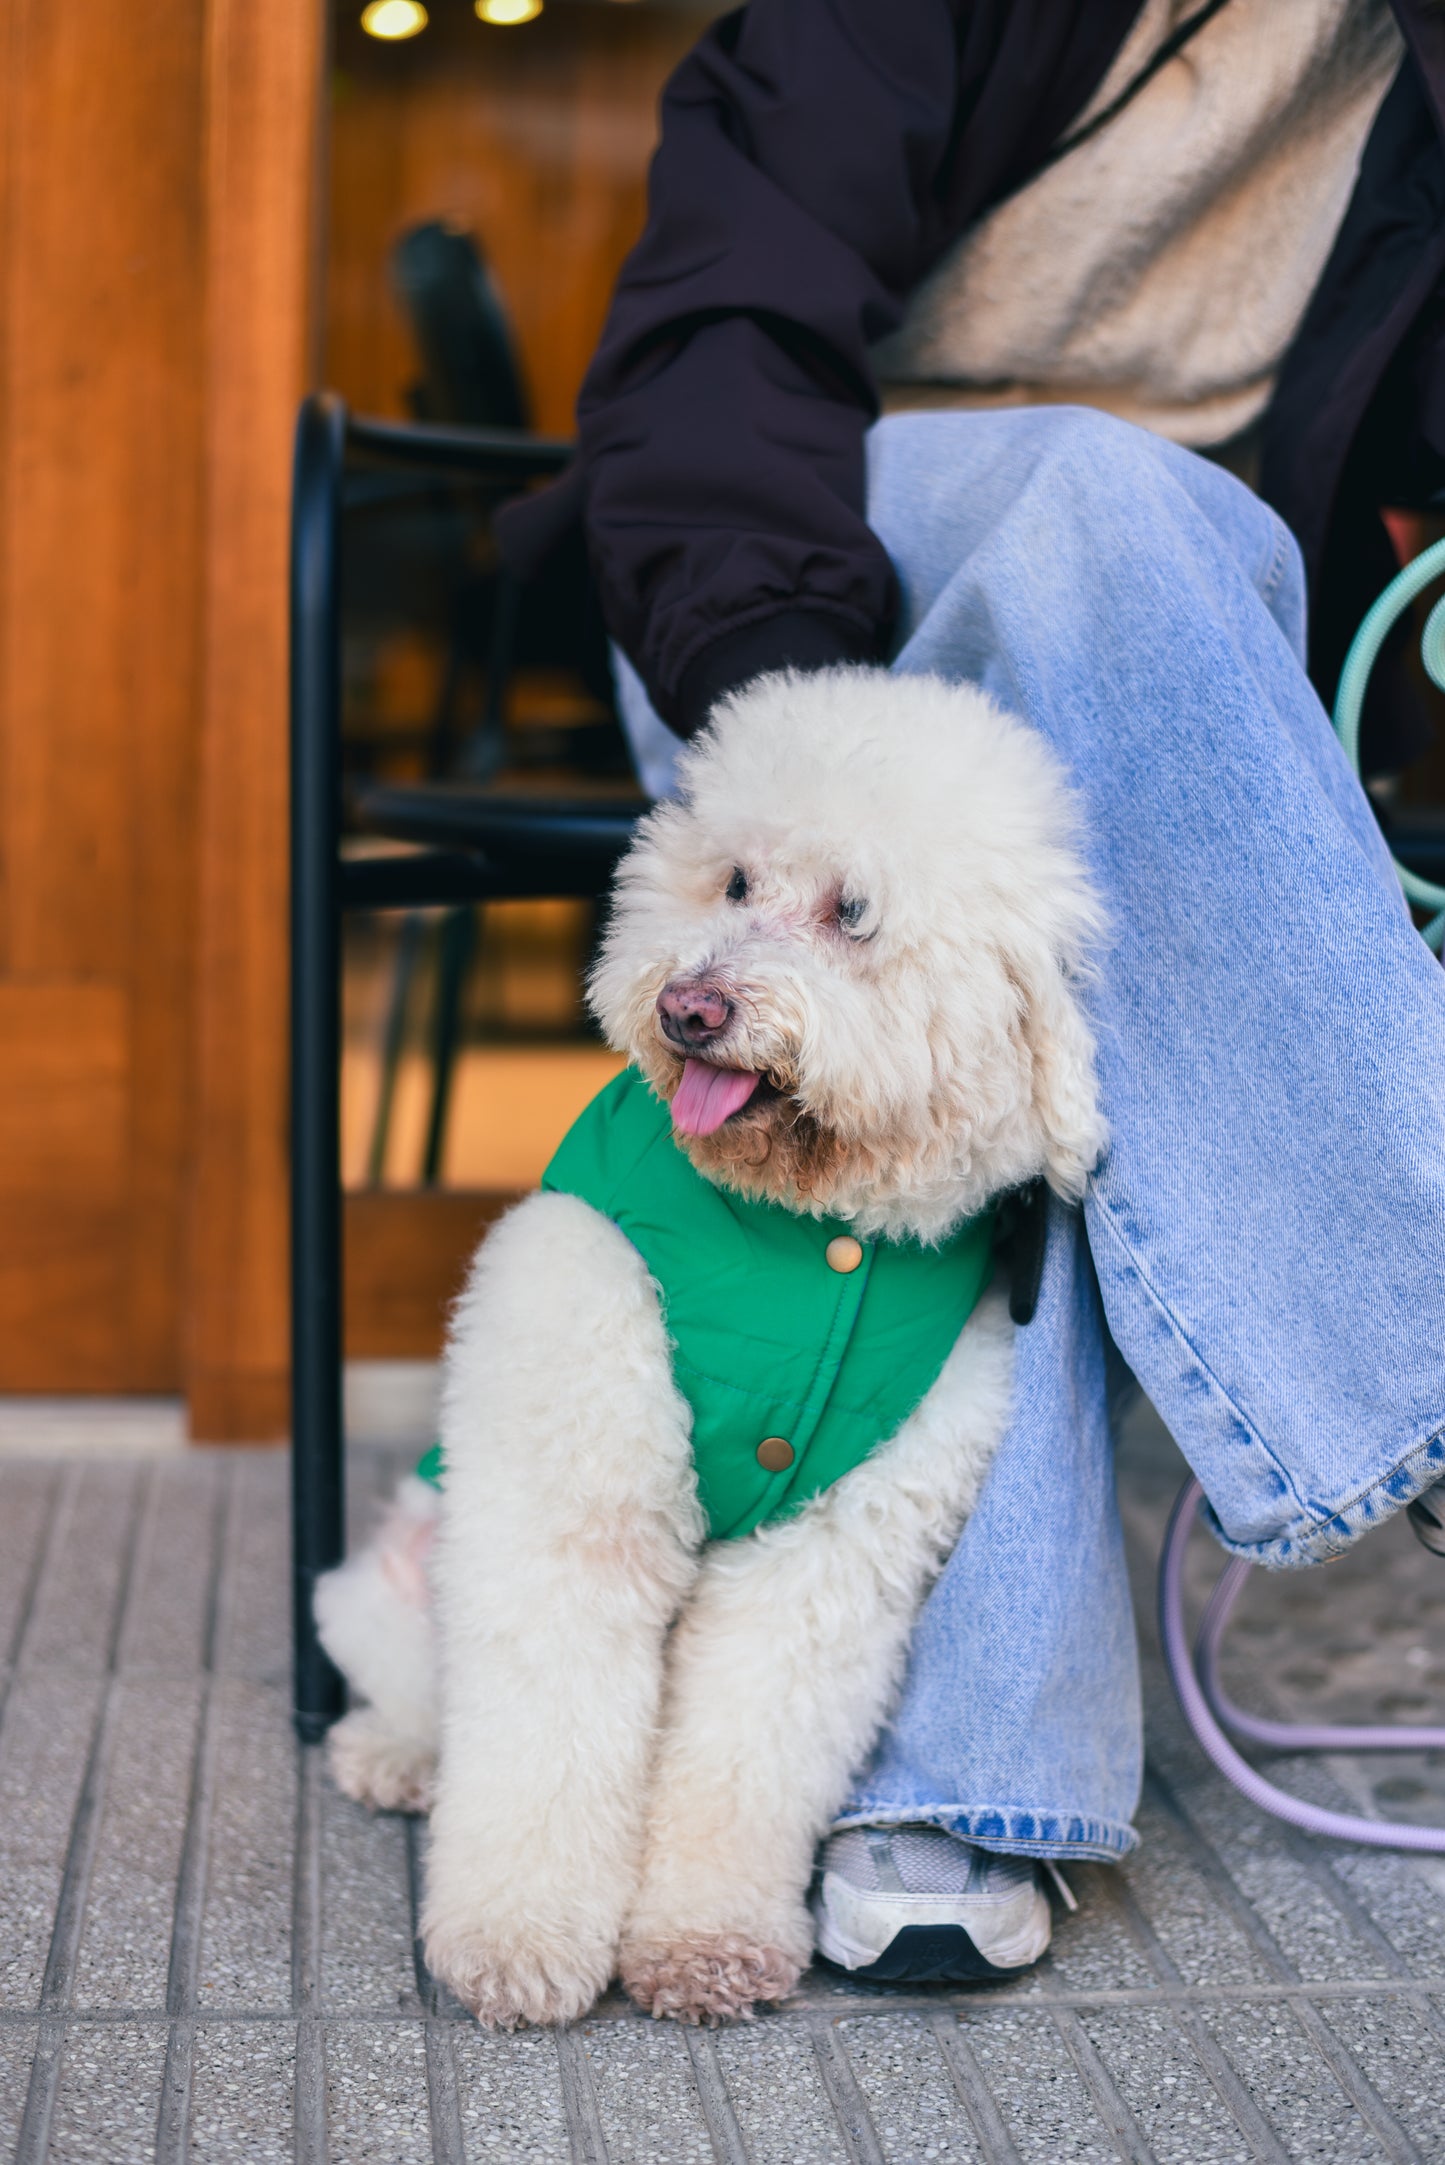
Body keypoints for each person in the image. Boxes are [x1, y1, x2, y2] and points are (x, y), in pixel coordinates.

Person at [503, 0, 1445, 1983]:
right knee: (1091, 511)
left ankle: (946, 1785)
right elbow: (716, 326)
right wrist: (811, 715)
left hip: (1201, 658)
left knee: (1124, 595)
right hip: (798, 578)